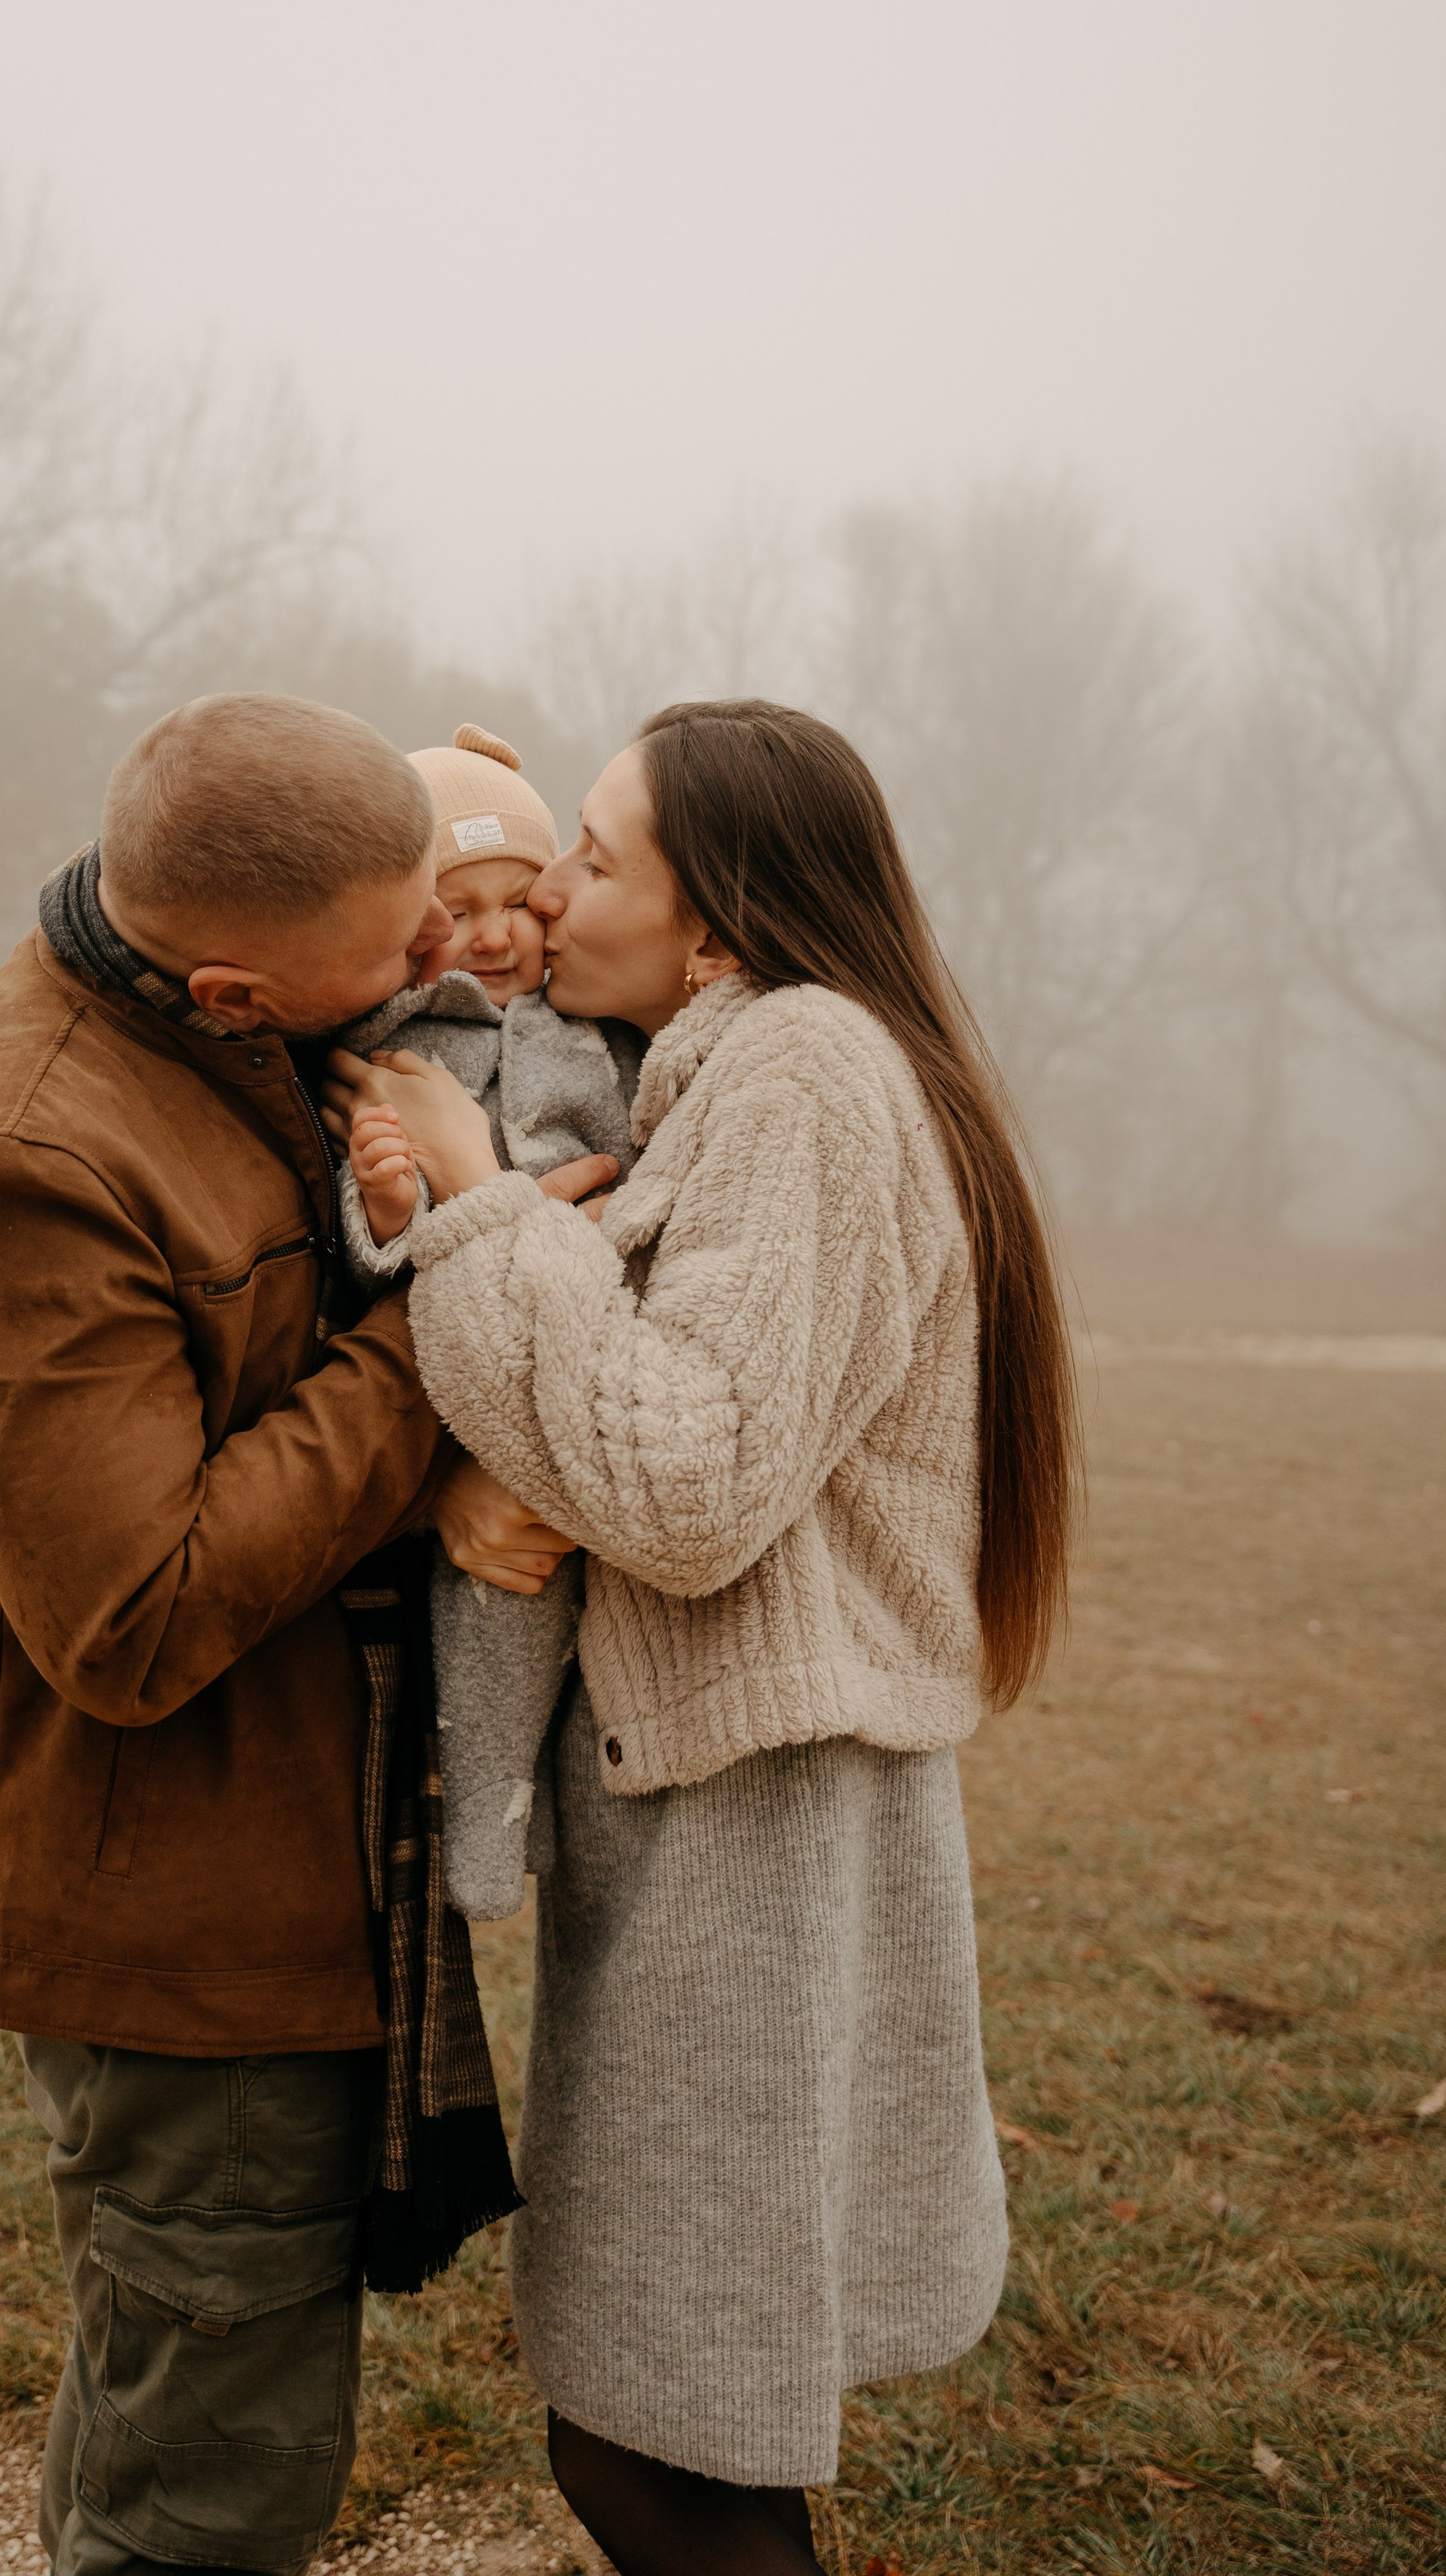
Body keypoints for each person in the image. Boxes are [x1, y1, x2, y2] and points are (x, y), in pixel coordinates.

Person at [323, 698, 1077, 2576]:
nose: (548, 892)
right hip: (719, 1804)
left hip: (755, 1827)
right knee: (680, 2427)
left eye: (589, 854)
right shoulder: (721, 1069)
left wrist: (486, 1213)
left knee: (649, 2444)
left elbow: (686, 1481)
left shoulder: (805, 1072)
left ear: (718, 920)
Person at [0, 691, 568, 2576]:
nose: (446, 953)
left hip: (277, 1869)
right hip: (170, 1913)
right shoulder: (18, 1171)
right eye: (404, 937)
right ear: (235, 987)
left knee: (162, 2399)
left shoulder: (235, 1029)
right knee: (210, 2490)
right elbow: (134, 1615)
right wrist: (446, 1321)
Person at [330, 720, 637, 1919]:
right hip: (451, 1372)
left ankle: (540, 1816)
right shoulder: (394, 1050)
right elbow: (366, 1242)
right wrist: (392, 1204)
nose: (498, 933)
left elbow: (638, 1158)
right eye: (461, 907)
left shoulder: (589, 1025)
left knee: (563, 1607)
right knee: (489, 1610)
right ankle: (482, 1840)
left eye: (523, 898)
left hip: (579, 1340)